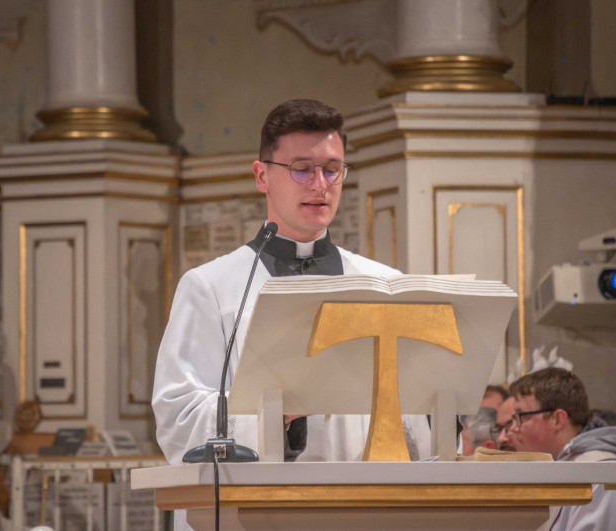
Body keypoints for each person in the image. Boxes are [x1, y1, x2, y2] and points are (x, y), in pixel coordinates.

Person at [152, 99, 432, 467]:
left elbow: (419, 422)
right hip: (261, 500)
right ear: (262, 176)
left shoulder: (384, 283)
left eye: (332, 169)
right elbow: (179, 418)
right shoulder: (211, 287)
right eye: (301, 170)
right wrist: (277, 412)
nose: (320, 184)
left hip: (365, 494)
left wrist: (438, 408)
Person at [509, 368, 616, 530]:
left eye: (521, 416)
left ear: (557, 419)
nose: (513, 428)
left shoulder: (602, 479)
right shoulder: (565, 469)